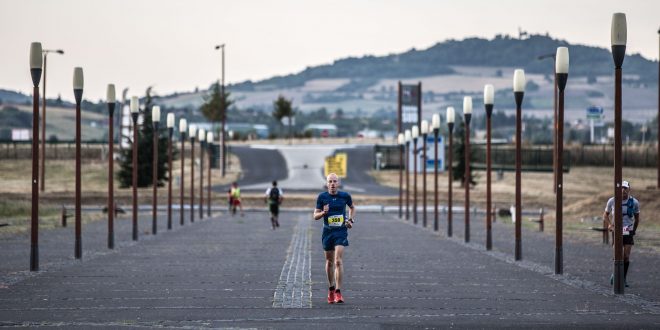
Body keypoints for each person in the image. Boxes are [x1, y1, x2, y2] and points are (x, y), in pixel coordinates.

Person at [313, 173, 355, 304]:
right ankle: (331, 289)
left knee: (338, 261)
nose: (332, 184)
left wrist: (351, 220)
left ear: (338, 183)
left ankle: (338, 292)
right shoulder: (322, 197)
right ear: (327, 183)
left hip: (341, 231)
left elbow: (352, 208)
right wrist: (323, 213)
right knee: (329, 262)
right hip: (328, 232)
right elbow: (315, 216)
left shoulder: (345, 196)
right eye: (330, 181)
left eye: (334, 181)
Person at [604, 180, 640, 287]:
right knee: (617, 255)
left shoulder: (634, 202)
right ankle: (614, 275)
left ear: (629, 189)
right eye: (622, 188)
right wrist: (610, 225)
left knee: (626, 256)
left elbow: (637, 219)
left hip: (628, 230)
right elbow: (605, 215)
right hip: (617, 231)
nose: (623, 190)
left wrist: (634, 230)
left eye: (625, 188)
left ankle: (623, 278)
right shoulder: (612, 200)